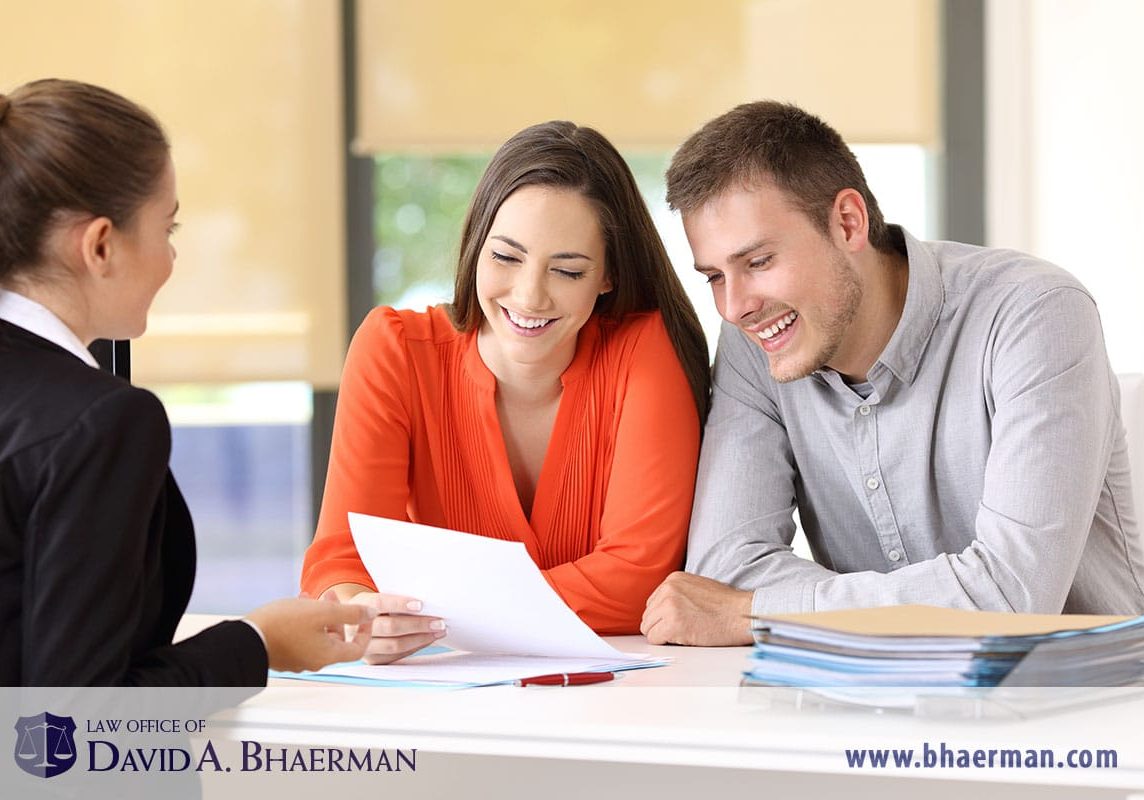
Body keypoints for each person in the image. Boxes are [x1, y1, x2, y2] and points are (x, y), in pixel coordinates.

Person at [640, 100, 1144, 646]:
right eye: (714, 276)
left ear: (848, 222)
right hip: (869, 690)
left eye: (758, 262)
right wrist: (783, 609)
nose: (735, 307)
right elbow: (725, 573)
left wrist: (754, 613)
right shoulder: (756, 342)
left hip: (1076, 689)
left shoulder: (1035, 312)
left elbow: (1010, 596)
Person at [0, 79, 373, 685]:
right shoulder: (100, 422)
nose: (171, 259)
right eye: (167, 230)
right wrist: (258, 642)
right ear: (100, 246)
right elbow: (73, 721)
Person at [301, 121, 710, 662]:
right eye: (506, 257)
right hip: (445, 690)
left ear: (607, 276)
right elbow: (343, 556)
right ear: (477, 246)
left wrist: (437, 617)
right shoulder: (394, 349)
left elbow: (637, 579)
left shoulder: (644, 353)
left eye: (567, 270)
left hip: (613, 693)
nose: (530, 296)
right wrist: (361, 616)